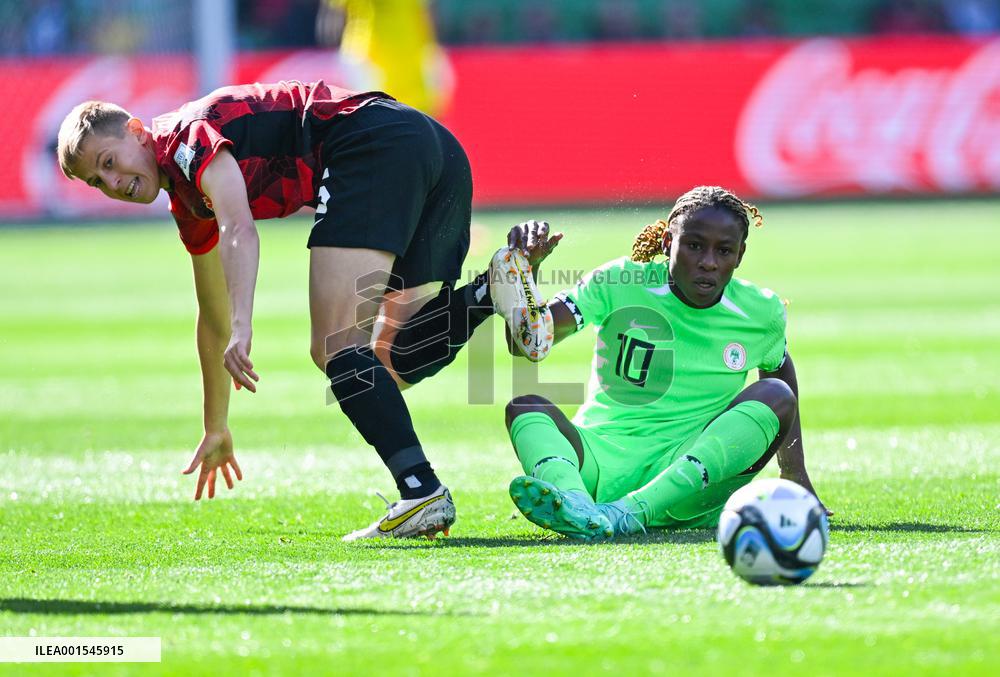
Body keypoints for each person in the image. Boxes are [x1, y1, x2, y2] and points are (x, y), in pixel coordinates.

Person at [55, 80, 551, 541]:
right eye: (97, 181)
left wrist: (245, 324)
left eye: (109, 160)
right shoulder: (187, 199)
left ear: (136, 131)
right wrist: (215, 425)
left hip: (370, 145)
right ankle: (488, 293)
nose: (112, 181)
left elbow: (238, 226)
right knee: (388, 362)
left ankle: (422, 492)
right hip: (429, 148)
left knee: (336, 347)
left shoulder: (183, 139)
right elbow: (211, 316)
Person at [502, 186, 829, 541]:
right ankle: (578, 505)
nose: (708, 261)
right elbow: (528, 343)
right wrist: (526, 273)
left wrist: (794, 474)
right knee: (525, 408)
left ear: (740, 255)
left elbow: (779, 369)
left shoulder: (761, 311)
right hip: (599, 461)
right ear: (666, 242)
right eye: (694, 245)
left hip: (688, 486)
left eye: (724, 251)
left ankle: (631, 512)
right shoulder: (618, 281)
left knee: (775, 394)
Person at [316, 0, 451, 117]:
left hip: (369, 57)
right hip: (391, 57)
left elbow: (331, 24)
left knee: (369, 120)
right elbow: (428, 15)